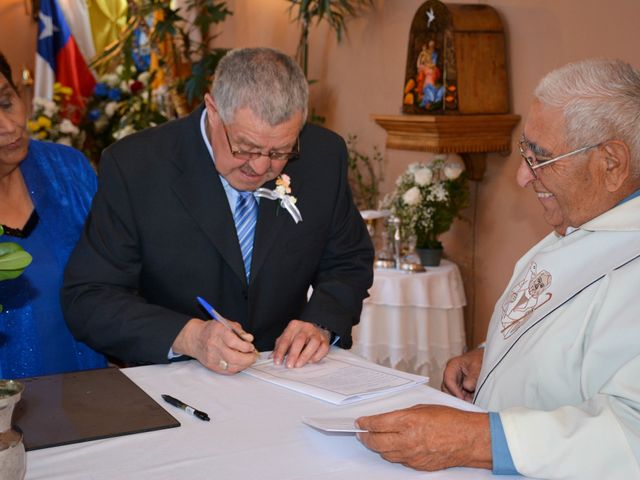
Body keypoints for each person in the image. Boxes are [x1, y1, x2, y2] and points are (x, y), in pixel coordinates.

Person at [356, 58, 640, 479]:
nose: (524, 177)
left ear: (611, 163)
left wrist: (475, 439)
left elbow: (629, 436)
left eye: (540, 158)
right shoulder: (583, 226)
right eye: (526, 151)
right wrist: (491, 359)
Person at [61, 47, 374, 375]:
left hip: (286, 375)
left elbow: (349, 260)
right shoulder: (137, 166)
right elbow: (89, 297)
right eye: (246, 147)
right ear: (213, 110)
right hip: (176, 380)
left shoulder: (323, 156)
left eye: (280, 151)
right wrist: (188, 336)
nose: (261, 166)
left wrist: (321, 322)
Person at [0, 52, 107, 378]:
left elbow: (119, 276)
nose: (8, 126)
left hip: (89, 391)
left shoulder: (67, 170)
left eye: (6, 103)